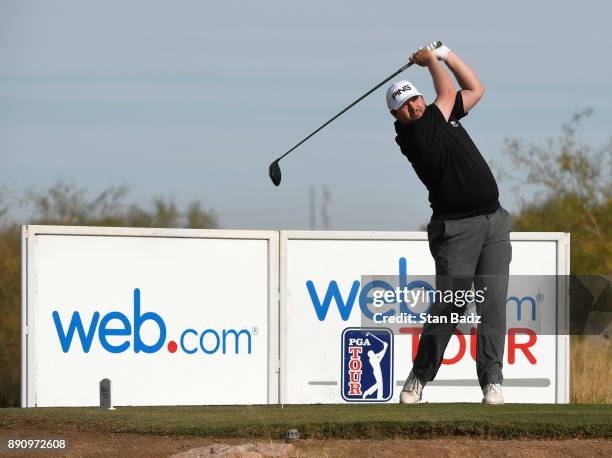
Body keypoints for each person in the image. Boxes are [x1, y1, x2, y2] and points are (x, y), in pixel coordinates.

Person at [386, 42, 512, 405]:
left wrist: (448, 55)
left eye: (415, 99)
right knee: (452, 304)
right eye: (405, 106)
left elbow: (475, 89)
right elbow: (444, 90)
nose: (414, 106)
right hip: (455, 230)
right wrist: (430, 62)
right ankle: (419, 377)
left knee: (492, 303)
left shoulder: (440, 114)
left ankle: (492, 381)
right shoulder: (414, 134)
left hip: (494, 222)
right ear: (397, 115)